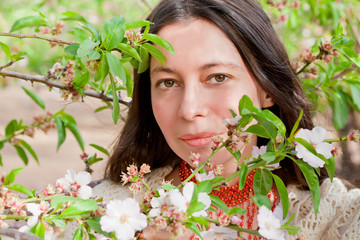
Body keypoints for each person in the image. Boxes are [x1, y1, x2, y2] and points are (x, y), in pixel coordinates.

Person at [87, 0, 360, 239]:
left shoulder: (334, 216)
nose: (189, 109)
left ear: (267, 89)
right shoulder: (106, 211)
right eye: (168, 82)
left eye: (218, 77)